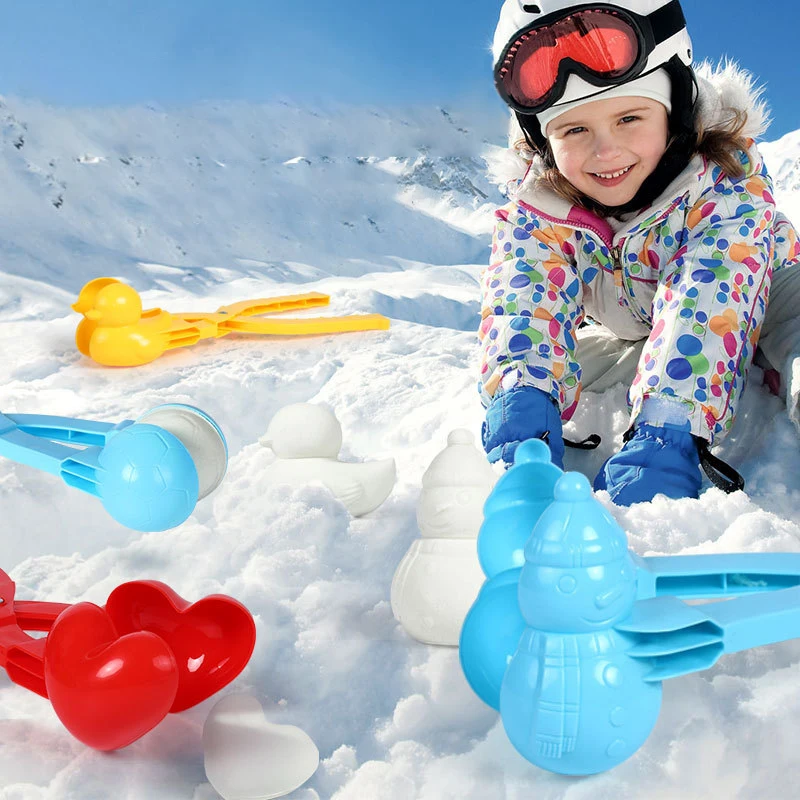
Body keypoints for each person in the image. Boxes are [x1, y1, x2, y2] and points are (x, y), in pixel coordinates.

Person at [479, 0, 800, 505]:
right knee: (554, 368)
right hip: (643, 323)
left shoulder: (722, 187)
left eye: (629, 117)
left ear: (677, 109)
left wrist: (667, 432)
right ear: (541, 139)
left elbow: (706, 294)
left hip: (765, 286)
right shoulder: (541, 208)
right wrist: (522, 410)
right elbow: (524, 299)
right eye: (574, 129)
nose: (605, 151)